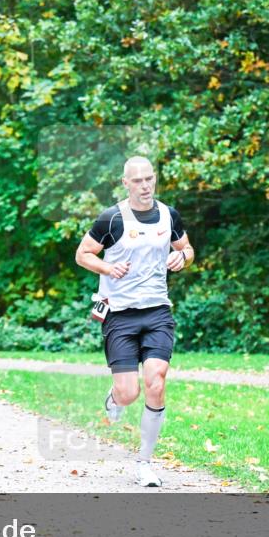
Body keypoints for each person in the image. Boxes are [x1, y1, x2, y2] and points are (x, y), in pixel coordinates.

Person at [75, 156, 194, 487]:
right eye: (137, 181)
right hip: (120, 315)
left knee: (157, 381)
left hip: (157, 310)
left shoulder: (169, 215)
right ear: (125, 183)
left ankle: (144, 462)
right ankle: (115, 398)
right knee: (129, 393)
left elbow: (187, 249)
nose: (145, 186)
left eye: (149, 179)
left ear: (155, 179)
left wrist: (181, 257)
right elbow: (82, 254)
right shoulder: (111, 219)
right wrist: (107, 268)